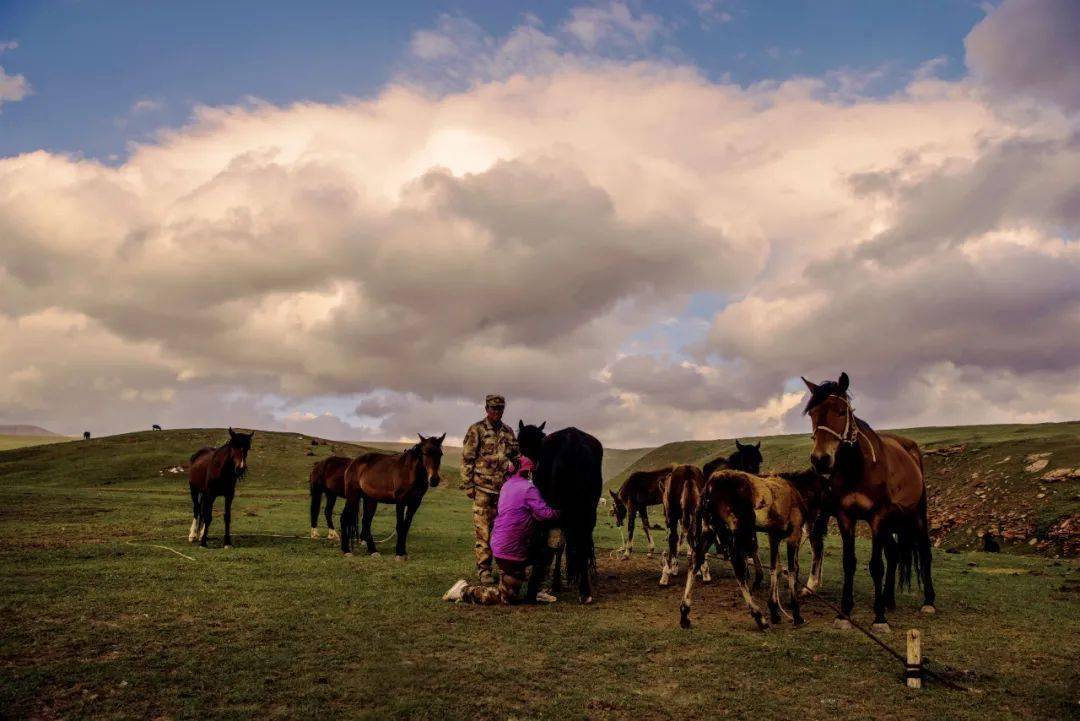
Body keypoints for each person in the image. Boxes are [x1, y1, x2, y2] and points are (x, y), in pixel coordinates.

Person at [443, 457, 559, 604]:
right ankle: (463, 590)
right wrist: (561, 510)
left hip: (499, 544)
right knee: (508, 598)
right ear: (528, 471)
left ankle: (534, 591)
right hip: (512, 550)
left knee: (534, 558)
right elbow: (546, 514)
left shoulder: (507, 486)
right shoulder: (529, 489)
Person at [461, 394, 519, 584]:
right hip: (483, 489)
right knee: (483, 531)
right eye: (493, 408)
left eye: (500, 408)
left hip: (504, 491)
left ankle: (504, 568)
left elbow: (516, 458)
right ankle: (484, 570)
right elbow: (467, 458)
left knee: (503, 531)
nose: (497, 411)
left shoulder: (509, 432)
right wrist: (468, 485)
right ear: (486, 409)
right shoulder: (476, 429)